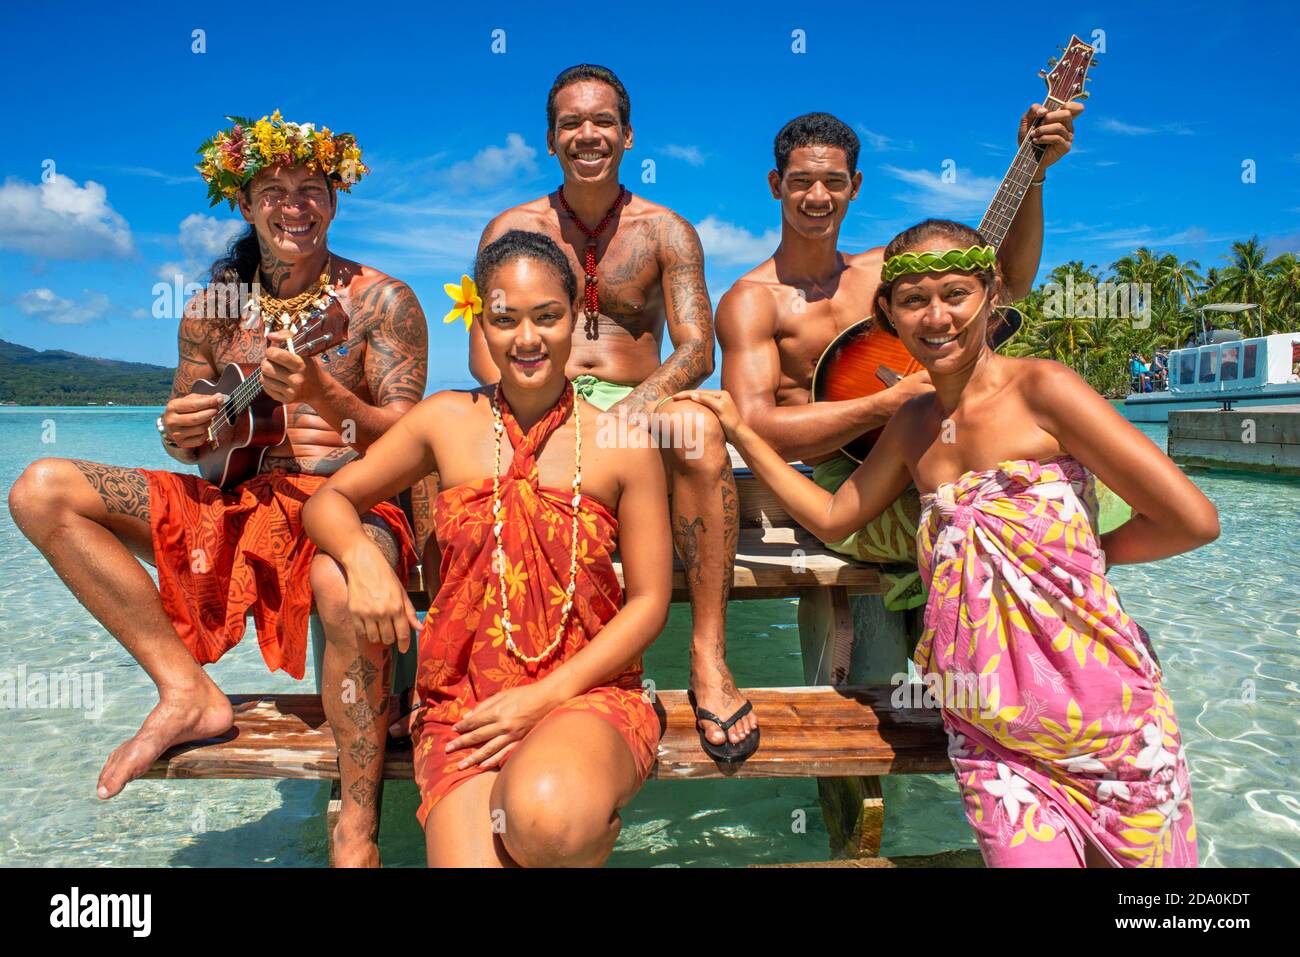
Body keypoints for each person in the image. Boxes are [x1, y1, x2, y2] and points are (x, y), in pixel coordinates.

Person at [678, 218, 1216, 867]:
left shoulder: (1044, 389)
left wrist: (1093, 555)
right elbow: (833, 515)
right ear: (888, 315)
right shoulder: (910, 422)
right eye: (914, 300)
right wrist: (740, 429)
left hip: (1103, 712)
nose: (937, 316)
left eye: (956, 293)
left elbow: (1191, 518)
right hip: (991, 735)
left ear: (991, 295)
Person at [6, 112, 429, 868]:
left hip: (353, 499)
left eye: (311, 190)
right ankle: (186, 691)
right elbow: (195, 444)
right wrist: (179, 430)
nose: (294, 205)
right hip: (236, 505)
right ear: (245, 204)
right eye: (274, 190)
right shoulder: (212, 310)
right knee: (42, 488)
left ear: (335, 201)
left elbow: (406, 442)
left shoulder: (380, 301)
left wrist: (328, 395)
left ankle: (356, 824)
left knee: (342, 580)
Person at [305, 230, 670, 866]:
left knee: (548, 823)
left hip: (587, 690)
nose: (526, 339)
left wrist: (541, 698)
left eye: (548, 317)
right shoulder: (446, 421)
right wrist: (364, 562)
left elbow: (649, 601)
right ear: (480, 320)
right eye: (504, 319)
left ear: (577, 316)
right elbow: (327, 503)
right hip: (464, 703)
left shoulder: (623, 443)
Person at [466, 64, 756, 761]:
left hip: (640, 400)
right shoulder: (512, 227)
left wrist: (636, 405)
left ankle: (708, 656)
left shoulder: (668, 232)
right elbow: (483, 351)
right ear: (549, 138)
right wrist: (552, 405)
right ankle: (466, 661)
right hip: (539, 393)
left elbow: (697, 346)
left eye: (602, 122)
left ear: (628, 135)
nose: (586, 134)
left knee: (703, 431)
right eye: (571, 122)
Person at [716, 108, 1081, 610]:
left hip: (943, 458)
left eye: (833, 181)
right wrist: (885, 407)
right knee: (1004, 520)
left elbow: (1007, 284)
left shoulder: (886, 270)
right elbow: (753, 428)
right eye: (801, 181)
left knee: (1068, 493)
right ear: (776, 185)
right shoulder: (753, 300)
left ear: (856, 186)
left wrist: (1033, 173)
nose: (818, 197)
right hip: (849, 484)